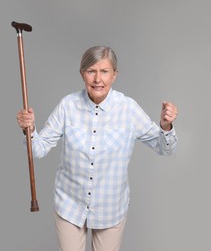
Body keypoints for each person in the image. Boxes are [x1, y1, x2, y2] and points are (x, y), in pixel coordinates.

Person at [16, 46, 178, 251]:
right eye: (91, 71)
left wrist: (165, 126)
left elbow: (165, 148)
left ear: (115, 75)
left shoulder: (128, 108)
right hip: (70, 204)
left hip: (110, 208)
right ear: (82, 73)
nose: (97, 79)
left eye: (104, 71)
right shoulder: (68, 105)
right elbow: (38, 149)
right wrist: (29, 130)